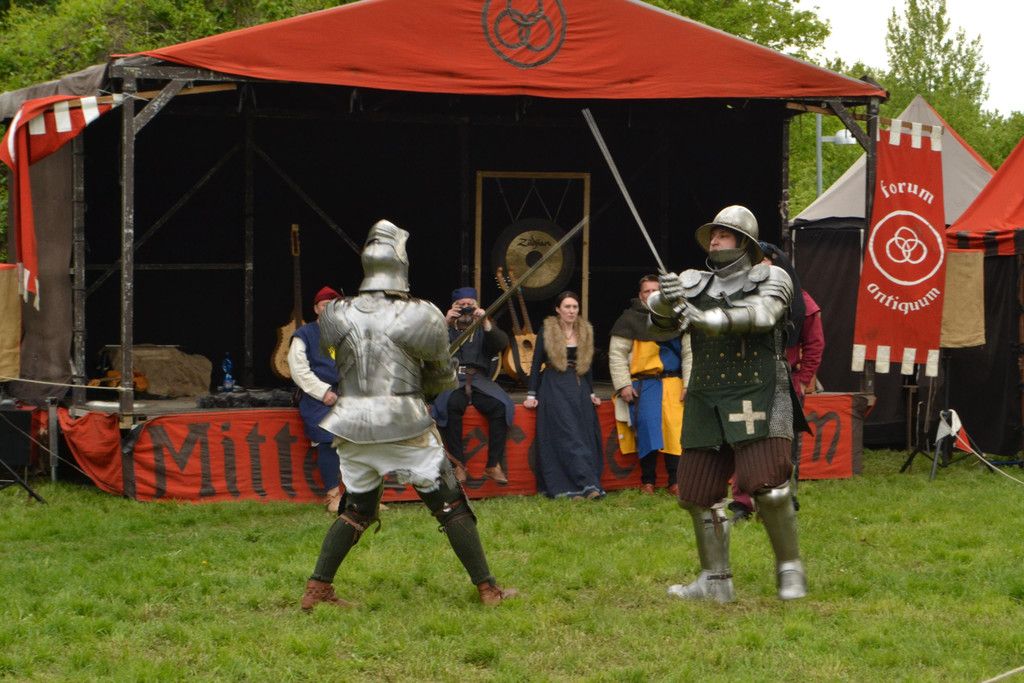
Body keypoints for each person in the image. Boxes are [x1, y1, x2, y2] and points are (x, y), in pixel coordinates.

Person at [300, 219, 516, 609]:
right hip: (403, 425)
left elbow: (337, 357)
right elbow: (441, 381)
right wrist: (422, 375)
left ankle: (317, 590)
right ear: (400, 263)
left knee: (356, 510)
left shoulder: (336, 313)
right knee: (451, 506)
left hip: (351, 424)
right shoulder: (421, 313)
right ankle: (488, 590)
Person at [646, 205, 810, 602]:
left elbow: (763, 315)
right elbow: (658, 326)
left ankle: (790, 568)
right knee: (696, 493)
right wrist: (666, 301)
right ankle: (715, 580)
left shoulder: (771, 276)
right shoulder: (693, 282)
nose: (715, 240)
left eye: (723, 234)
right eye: (713, 235)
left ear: (744, 242)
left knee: (768, 488)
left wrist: (706, 319)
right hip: (706, 394)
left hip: (758, 389)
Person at [729, 242, 824, 522]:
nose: (761, 267)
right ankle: (743, 502)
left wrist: (803, 379)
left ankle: (781, 497)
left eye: (766, 261)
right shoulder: (740, 298)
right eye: (756, 262)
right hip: (747, 381)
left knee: (782, 444)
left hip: (785, 380)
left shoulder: (801, 301)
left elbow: (815, 344)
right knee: (744, 440)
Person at [609, 275, 691, 496]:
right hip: (644, 383)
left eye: (656, 290)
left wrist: (688, 383)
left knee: (675, 430)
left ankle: (675, 481)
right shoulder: (629, 320)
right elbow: (617, 354)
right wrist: (623, 384)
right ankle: (648, 481)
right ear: (640, 295)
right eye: (647, 291)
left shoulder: (676, 316)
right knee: (647, 428)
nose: (651, 294)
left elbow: (688, 352)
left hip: (673, 382)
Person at [523, 291, 605, 500]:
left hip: (578, 386)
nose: (571, 311)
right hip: (554, 385)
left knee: (583, 434)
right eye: (567, 307)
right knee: (566, 435)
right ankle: (569, 487)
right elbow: (536, 363)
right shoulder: (547, 330)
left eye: (575, 307)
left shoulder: (584, 330)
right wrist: (531, 393)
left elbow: (587, 365)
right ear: (558, 309)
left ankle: (589, 485)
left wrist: (592, 392)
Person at [433, 287, 516, 485]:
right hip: (453, 379)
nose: (465, 308)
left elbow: (502, 343)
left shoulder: (483, 327)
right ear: (453, 307)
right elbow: (428, 348)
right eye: (461, 305)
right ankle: (458, 466)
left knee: (501, 406)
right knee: (450, 406)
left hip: (480, 380)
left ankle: (493, 465)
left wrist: (485, 321)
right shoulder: (444, 328)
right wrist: (444, 322)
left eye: (469, 305)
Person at [288, 285, 344, 513]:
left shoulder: (348, 334)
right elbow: (298, 369)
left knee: (362, 440)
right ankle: (333, 496)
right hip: (318, 397)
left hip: (348, 394)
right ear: (316, 309)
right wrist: (323, 392)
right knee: (328, 439)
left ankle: (364, 498)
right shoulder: (305, 334)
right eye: (324, 305)